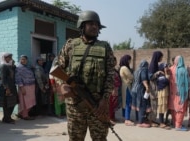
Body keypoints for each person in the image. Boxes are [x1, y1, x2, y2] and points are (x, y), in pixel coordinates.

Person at [57, 10, 115, 141]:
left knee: (100, 138)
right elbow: (58, 67)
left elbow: (110, 75)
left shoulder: (105, 47)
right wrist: (62, 85)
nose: (94, 27)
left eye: (97, 24)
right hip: (75, 105)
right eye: (90, 24)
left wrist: (105, 100)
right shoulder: (71, 44)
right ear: (82, 26)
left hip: (97, 104)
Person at [168, 55, 190, 131]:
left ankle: (175, 123)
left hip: (172, 93)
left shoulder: (171, 69)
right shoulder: (183, 70)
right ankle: (178, 125)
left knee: (174, 108)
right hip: (181, 92)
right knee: (180, 109)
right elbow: (188, 81)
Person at [131, 60, 151, 128]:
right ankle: (141, 122)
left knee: (137, 105)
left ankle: (138, 119)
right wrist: (147, 87)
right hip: (140, 90)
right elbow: (144, 79)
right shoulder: (143, 70)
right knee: (142, 105)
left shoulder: (136, 71)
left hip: (134, 89)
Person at [0, 53, 18, 124]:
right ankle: (7, 118)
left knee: (12, 102)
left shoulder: (9, 66)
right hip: (6, 87)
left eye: (10, 57)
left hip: (12, 86)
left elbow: (13, 71)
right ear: (4, 58)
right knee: (7, 103)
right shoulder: (3, 66)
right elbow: (3, 78)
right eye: (8, 57)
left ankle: (7, 117)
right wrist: (6, 88)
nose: (10, 58)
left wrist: (13, 64)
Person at [15, 55, 36, 120]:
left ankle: (21, 114)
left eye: (25, 59)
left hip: (31, 86)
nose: (23, 61)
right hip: (24, 87)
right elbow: (18, 78)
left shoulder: (27, 67)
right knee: (25, 102)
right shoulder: (18, 68)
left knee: (30, 101)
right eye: (22, 59)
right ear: (20, 60)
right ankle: (25, 115)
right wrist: (22, 87)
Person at [148, 51, 164, 127]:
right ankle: (151, 121)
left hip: (155, 87)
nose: (161, 58)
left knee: (155, 105)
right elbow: (150, 77)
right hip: (153, 88)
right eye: (161, 57)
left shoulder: (156, 65)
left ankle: (153, 120)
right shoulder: (152, 66)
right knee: (153, 105)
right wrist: (158, 73)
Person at [118, 54, 134, 126]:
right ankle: (127, 119)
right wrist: (131, 80)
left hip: (124, 86)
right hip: (127, 86)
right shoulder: (125, 68)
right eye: (129, 60)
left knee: (125, 102)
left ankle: (125, 117)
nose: (130, 61)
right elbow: (131, 77)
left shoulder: (121, 67)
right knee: (128, 103)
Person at [156, 63, 171, 129]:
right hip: (162, 93)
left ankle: (164, 121)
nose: (167, 68)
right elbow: (165, 81)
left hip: (165, 93)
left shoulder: (165, 74)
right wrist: (166, 75)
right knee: (161, 107)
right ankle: (161, 122)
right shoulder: (160, 74)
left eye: (167, 67)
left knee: (164, 107)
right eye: (165, 67)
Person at [109, 57, 121, 125]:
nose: (115, 62)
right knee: (110, 104)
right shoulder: (110, 70)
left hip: (116, 89)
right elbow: (111, 81)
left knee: (114, 104)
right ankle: (109, 118)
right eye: (114, 61)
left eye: (115, 61)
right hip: (112, 89)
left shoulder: (115, 70)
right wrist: (113, 89)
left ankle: (113, 117)